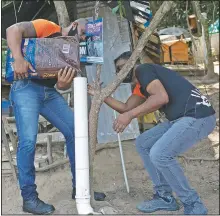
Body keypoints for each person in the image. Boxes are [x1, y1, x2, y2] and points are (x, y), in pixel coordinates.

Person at [88, 51, 216, 215]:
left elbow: (161, 98)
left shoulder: (144, 70)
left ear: (133, 63)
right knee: (144, 143)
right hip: (181, 119)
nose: (119, 72)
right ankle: (165, 197)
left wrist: (129, 116)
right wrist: (100, 95)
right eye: (117, 70)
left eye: (122, 67)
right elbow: (126, 107)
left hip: (198, 116)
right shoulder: (143, 85)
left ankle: (194, 204)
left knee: (160, 154)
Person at [6, 18, 105, 215]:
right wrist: (18, 58)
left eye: (87, 37)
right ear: (75, 25)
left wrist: (62, 85)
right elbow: (12, 29)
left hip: (49, 94)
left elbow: (61, 85)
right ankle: (29, 199)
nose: (84, 38)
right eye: (84, 33)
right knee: (27, 141)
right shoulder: (49, 27)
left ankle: (80, 188)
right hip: (25, 87)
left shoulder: (73, 52)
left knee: (76, 131)